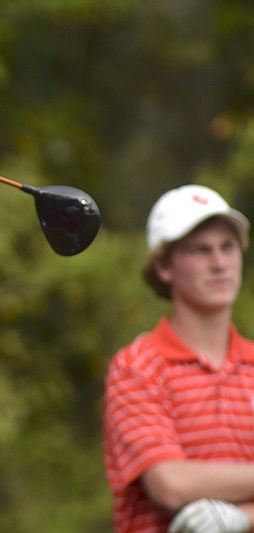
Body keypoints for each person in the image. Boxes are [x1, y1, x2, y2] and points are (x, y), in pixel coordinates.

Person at [102, 184, 254, 533]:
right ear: (165, 268)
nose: (219, 263)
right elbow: (171, 485)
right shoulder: (136, 367)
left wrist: (241, 519)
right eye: (201, 251)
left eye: (228, 247)